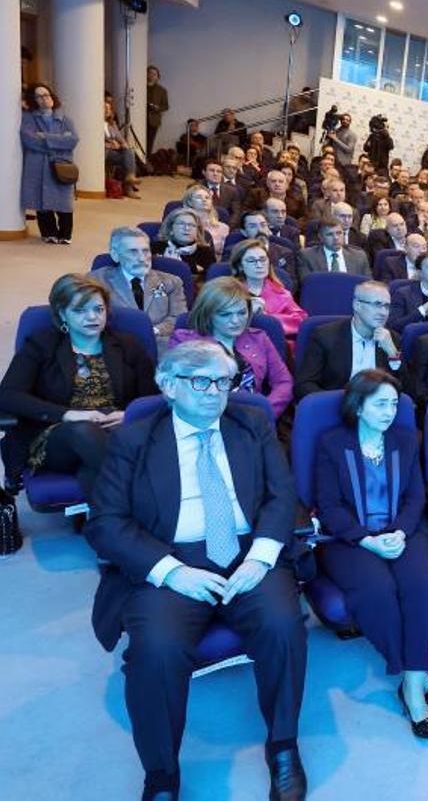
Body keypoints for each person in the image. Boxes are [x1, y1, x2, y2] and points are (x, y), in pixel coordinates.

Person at [85, 340, 308, 801]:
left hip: (249, 554)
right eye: (201, 381)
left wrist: (262, 555)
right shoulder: (133, 440)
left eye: (223, 382)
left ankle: (283, 745)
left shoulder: (253, 426)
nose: (214, 392)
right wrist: (170, 571)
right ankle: (162, 775)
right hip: (172, 560)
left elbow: (281, 497)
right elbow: (106, 523)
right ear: (167, 386)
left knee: (283, 626)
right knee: (157, 651)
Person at [314, 370, 428, 737]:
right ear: (358, 405)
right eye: (380, 404)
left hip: (404, 530)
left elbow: (415, 496)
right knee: (376, 593)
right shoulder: (332, 443)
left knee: (421, 586)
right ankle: (415, 673)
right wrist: (367, 539)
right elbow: (328, 505)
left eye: (393, 404)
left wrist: (400, 531)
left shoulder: (405, 439)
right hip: (351, 537)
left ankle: (412, 688)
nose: (390, 412)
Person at [0, 274, 156, 496]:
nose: (92, 317)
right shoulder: (41, 344)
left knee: (92, 470)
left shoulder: (127, 344)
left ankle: (103, 524)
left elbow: (152, 395)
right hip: (59, 435)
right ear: (62, 313)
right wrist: (68, 414)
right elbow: (8, 395)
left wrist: (128, 414)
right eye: (80, 311)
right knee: (84, 432)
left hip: (116, 429)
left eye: (98, 309)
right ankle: (141, 497)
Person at [169, 278, 293, 418]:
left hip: (253, 417)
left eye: (241, 313)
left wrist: (266, 411)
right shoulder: (183, 341)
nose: (236, 321)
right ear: (208, 314)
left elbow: (283, 382)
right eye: (225, 314)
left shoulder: (259, 338)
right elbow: (178, 388)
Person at [294, 281, 402, 399]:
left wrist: (393, 354)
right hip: (336, 407)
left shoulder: (392, 338)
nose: (383, 312)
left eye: (386, 306)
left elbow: (406, 389)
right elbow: (304, 385)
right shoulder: (325, 336)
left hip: (378, 410)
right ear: (357, 305)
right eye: (377, 304)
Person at [91, 227, 187, 354]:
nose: (142, 258)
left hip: (160, 347)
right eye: (133, 252)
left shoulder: (172, 282)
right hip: (115, 347)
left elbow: (179, 317)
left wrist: (154, 331)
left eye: (145, 251)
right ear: (115, 255)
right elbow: (91, 318)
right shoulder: (96, 281)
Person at [20, 82, 79, 244]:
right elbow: (29, 140)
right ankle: (48, 233)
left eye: (46, 94)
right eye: (39, 96)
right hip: (38, 166)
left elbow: (72, 140)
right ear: (34, 100)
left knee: (64, 202)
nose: (44, 99)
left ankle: (65, 234)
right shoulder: (28, 118)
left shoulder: (65, 119)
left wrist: (45, 137)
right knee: (42, 201)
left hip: (61, 165)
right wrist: (59, 141)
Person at [229, 239, 306, 339]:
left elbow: (301, 321)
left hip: (272, 343)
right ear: (240, 266)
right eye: (251, 260)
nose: (259, 265)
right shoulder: (228, 291)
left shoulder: (282, 293)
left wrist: (266, 318)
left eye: (263, 259)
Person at [297, 219, 370, 280]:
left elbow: (368, 284)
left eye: (339, 233)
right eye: (330, 234)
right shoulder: (307, 256)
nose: (336, 238)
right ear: (320, 237)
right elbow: (307, 284)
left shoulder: (359, 256)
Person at [154, 208, 216, 278]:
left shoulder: (206, 253)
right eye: (181, 224)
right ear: (171, 229)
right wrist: (194, 268)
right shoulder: (156, 247)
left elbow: (209, 280)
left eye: (192, 225)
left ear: (197, 232)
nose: (187, 228)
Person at [104, 101, 141, 198]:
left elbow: (121, 139)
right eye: (105, 108)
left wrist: (123, 145)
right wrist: (109, 145)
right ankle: (129, 186)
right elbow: (94, 142)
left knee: (129, 151)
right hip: (104, 152)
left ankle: (130, 178)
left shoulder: (112, 124)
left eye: (109, 108)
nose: (107, 110)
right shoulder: (96, 124)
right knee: (127, 157)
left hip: (114, 151)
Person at [182, 184, 230, 257]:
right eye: (198, 197)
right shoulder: (182, 225)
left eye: (207, 197)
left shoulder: (223, 228)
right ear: (189, 202)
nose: (204, 200)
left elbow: (226, 254)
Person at [145, 65, 169, 153]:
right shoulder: (140, 86)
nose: (151, 75)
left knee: (150, 142)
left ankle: (147, 160)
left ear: (158, 77)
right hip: (140, 118)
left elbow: (166, 106)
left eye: (154, 74)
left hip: (154, 120)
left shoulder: (162, 90)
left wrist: (157, 108)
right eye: (149, 73)